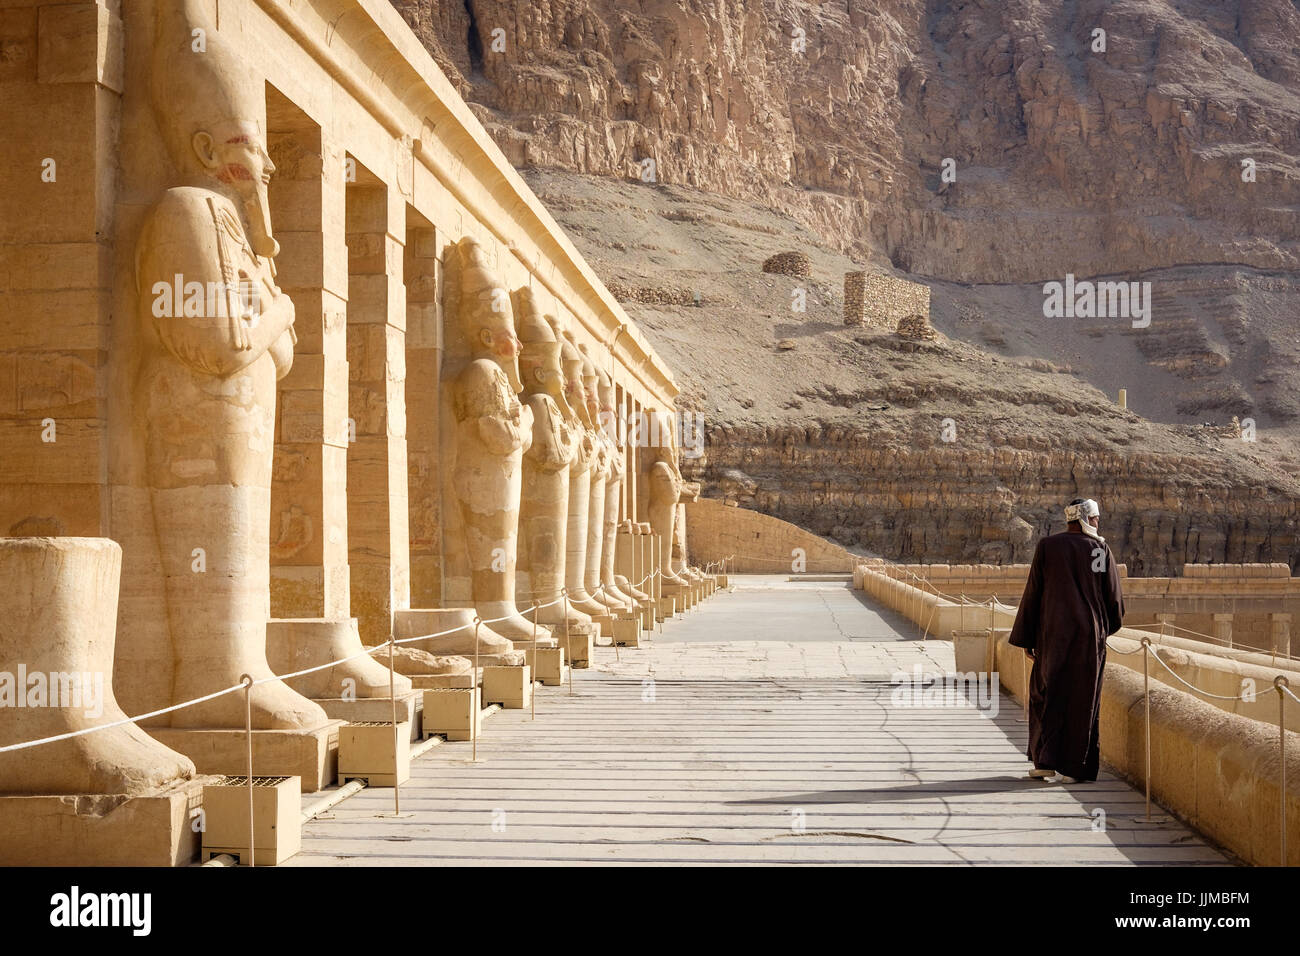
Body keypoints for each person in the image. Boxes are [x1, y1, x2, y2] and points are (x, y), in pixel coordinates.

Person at [1008, 498, 1124, 784]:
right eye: (1096, 518)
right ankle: (1077, 767)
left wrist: (1029, 638)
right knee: (1083, 699)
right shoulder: (1101, 550)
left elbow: (1034, 593)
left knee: (1046, 695)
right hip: (1089, 640)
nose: (1098, 523)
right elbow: (1115, 601)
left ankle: (1044, 761)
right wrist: (1099, 630)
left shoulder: (1048, 547)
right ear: (1087, 519)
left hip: (1053, 637)